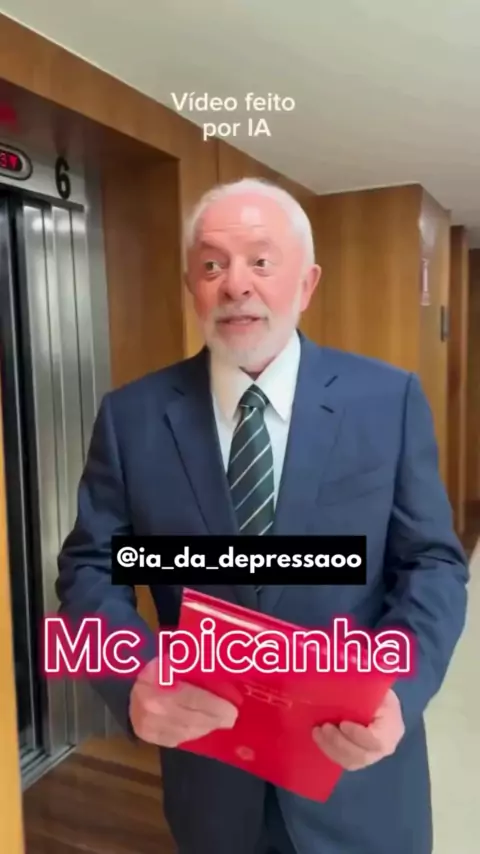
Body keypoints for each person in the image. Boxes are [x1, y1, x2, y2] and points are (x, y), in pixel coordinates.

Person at [56, 178, 469, 854]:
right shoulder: (132, 417)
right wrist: (131, 674)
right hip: (212, 781)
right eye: (211, 265)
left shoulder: (386, 399)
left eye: (261, 261)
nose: (235, 284)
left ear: (306, 283)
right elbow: (89, 568)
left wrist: (399, 688)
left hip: (357, 777)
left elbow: (432, 564)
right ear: (192, 287)